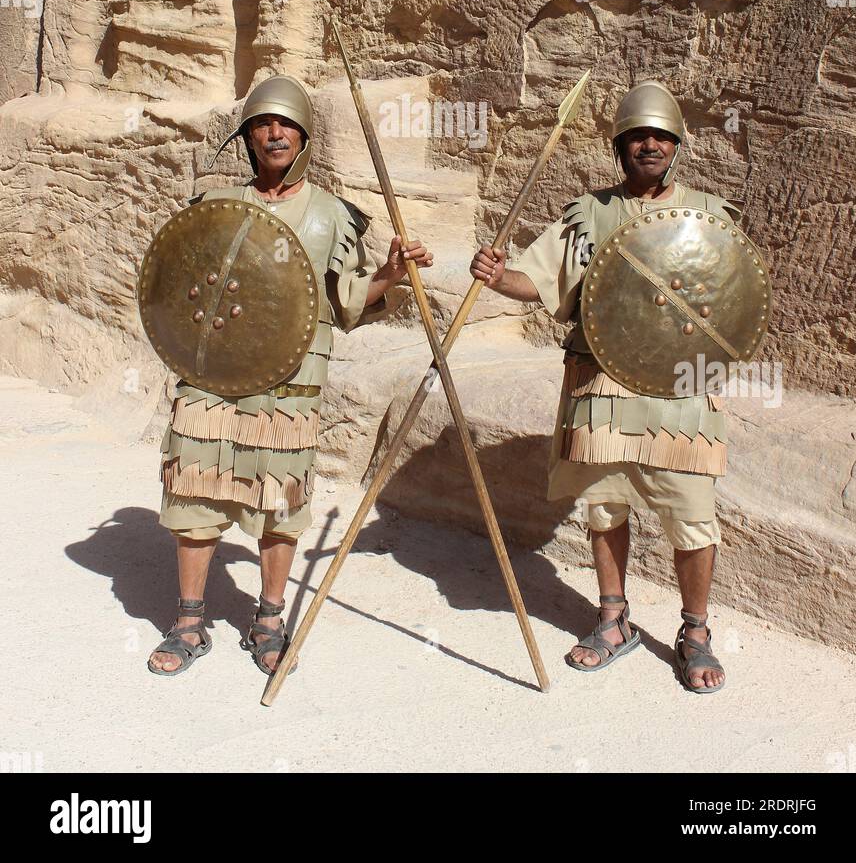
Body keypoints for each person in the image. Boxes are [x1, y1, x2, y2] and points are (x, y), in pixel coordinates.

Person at [147, 75, 432, 676]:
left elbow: (348, 302)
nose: (273, 133)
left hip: (289, 381)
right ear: (247, 136)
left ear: (304, 135)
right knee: (195, 488)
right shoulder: (215, 208)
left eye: (285, 124)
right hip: (212, 378)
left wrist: (390, 273)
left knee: (279, 501)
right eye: (261, 124)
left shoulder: (333, 216)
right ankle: (190, 621)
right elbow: (178, 287)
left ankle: (269, 618)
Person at [470, 80, 738, 693]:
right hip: (603, 382)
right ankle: (614, 620)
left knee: (693, 517)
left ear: (676, 144)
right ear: (619, 145)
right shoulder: (589, 215)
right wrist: (496, 275)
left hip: (679, 389)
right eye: (636, 136)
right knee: (606, 506)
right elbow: (538, 281)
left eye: (659, 136)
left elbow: (730, 302)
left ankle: (694, 631)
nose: (648, 145)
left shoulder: (708, 216)